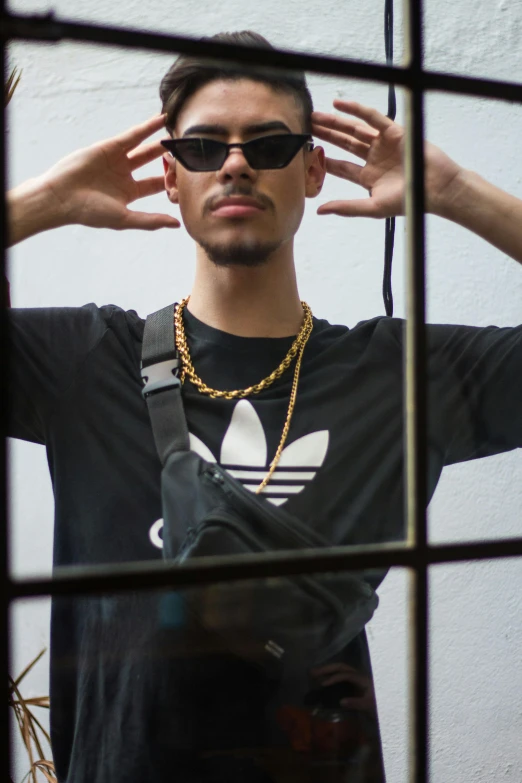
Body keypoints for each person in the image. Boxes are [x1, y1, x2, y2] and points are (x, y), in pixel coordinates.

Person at [6, 29, 522, 783]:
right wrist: (45, 201)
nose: (238, 163)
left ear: (313, 170)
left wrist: (455, 193)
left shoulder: (400, 374)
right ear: (170, 173)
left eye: (271, 144)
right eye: (205, 147)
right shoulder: (84, 361)